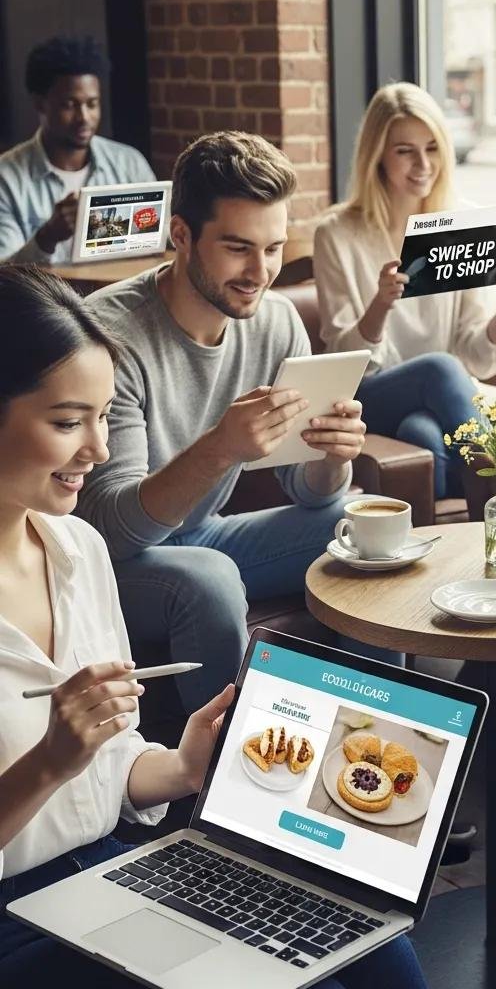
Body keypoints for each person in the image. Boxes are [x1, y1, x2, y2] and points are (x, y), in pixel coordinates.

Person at [0, 265, 425, 988]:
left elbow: (111, 772)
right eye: (68, 422)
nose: (97, 450)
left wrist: (184, 767)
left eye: (104, 417)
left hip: (101, 876)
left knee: (366, 933)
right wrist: (48, 763)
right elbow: (61, 775)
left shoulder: (77, 549)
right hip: (14, 922)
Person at [74, 132, 370, 713]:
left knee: (362, 527)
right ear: (181, 235)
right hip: (105, 563)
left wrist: (333, 458)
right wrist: (220, 448)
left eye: (274, 248)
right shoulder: (109, 335)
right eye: (238, 248)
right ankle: (219, 766)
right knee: (207, 578)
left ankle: (373, 723)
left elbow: (308, 493)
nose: (260, 271)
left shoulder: (277, 322)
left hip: (203, 534)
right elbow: (110, 530)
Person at [313, 82, 496, 499]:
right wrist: (381, 304)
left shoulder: (462, 224)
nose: (423, 164)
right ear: (378, 155)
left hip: (439, 401)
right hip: (367, 397)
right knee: (438, 368)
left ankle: (456, 535)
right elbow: (345, 364)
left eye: (432, 148)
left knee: (423, 433)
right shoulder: (337, 234)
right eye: (405, 151)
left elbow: (477, 360)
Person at [0, 35, 155, 264]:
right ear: (40, 104)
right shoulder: (6, 179)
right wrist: (46, 237)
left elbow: (160, 241)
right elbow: (4, 276)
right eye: (69, 105)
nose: (84, 117)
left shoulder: (129, 163)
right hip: (48, 290)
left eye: (92, 104)